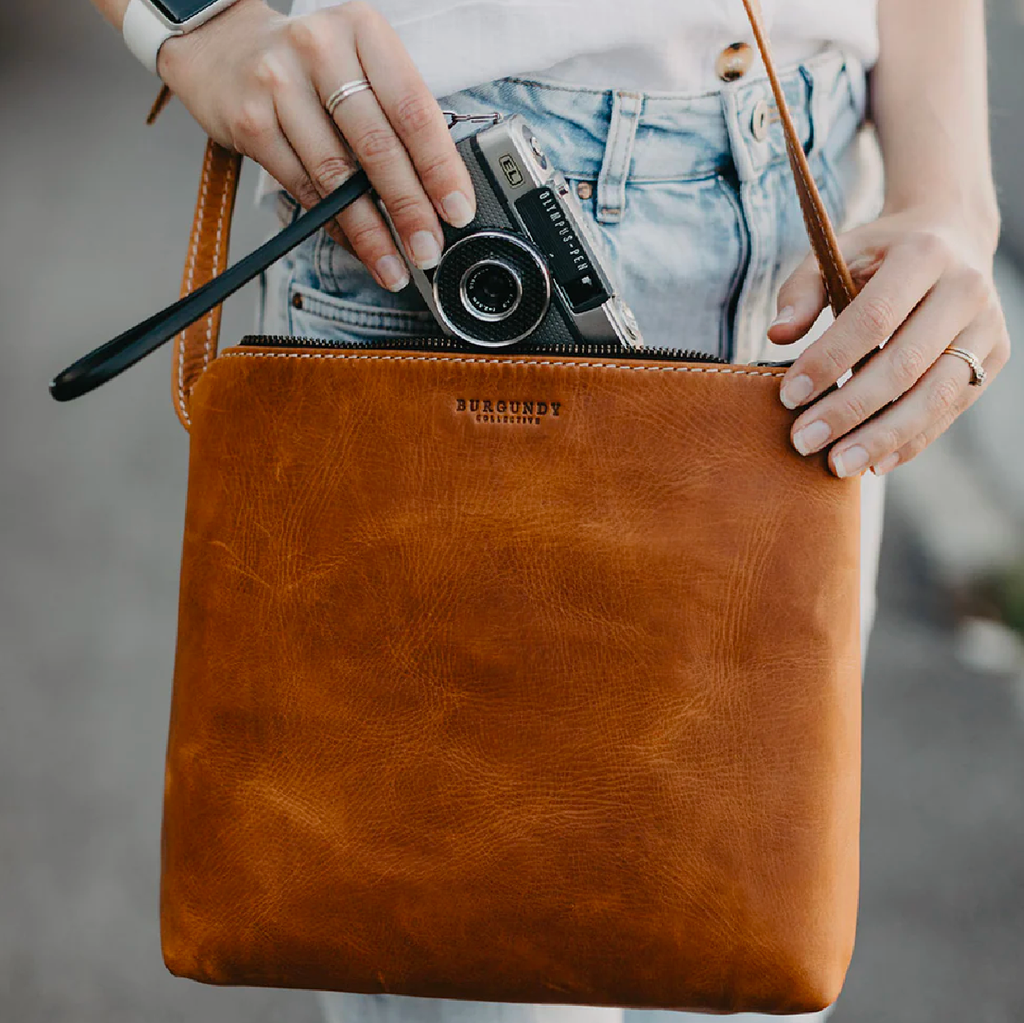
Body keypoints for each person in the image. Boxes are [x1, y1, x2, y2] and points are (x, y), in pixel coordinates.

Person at [88, 0, 1010, 1020]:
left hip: (817, 236)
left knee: (754, 942)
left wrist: (952, 194)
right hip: (433, 187)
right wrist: (196, 20)